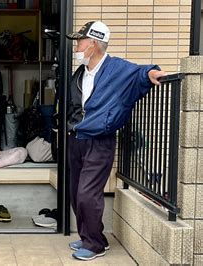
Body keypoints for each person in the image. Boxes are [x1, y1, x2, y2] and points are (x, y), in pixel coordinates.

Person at [65, 21, 166, 261]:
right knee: (75, 193)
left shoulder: (116, 68)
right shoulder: (81, 72)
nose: (77, 46)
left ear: (93, 44)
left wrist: (152, 73)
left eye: (80, 41)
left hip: (100, 141)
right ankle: (92, 236)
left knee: (88, 194)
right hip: (76, 139)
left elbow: (141, 73)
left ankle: (94, 245)